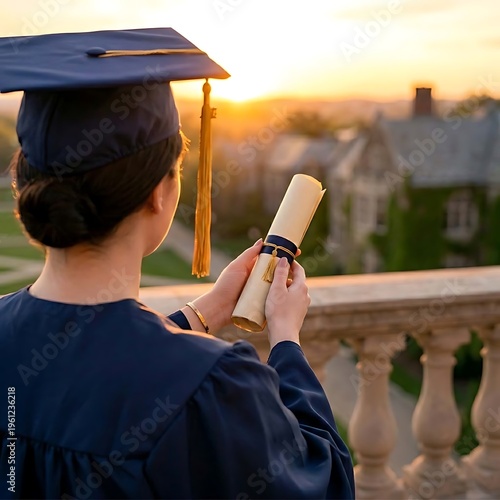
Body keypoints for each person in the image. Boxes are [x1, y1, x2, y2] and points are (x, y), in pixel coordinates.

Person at [0, 28, 355, 499]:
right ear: (158, 193)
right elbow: (323, 483)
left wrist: (206, 312)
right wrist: (286, 341)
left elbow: (86, 364)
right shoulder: (212, 387)